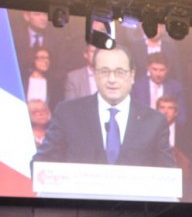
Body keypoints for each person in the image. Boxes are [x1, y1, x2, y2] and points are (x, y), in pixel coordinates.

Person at [32, 45, 176, 168]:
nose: (112, 79)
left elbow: (168, 177)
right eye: (104, 72)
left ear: (132, 76)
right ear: (94, 75)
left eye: (120, 72)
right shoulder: (68, 114)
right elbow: (40, 166)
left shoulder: (155, 121)